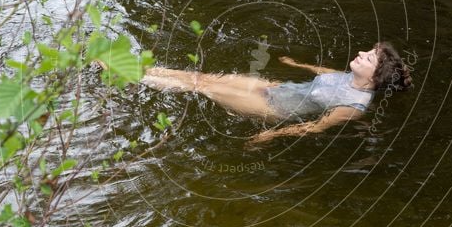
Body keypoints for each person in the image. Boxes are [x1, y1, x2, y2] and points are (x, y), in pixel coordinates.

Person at [139, 41, 413, 145]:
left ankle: (130, 79)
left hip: (271, 109)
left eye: (368, 58)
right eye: (367, 52)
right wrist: (297, 64)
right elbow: (323, 72)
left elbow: (315, 128)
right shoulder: (350, 77)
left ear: (375, 78)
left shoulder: (354, 107)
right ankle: (141, 70)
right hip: (273, 88)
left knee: (204, 88)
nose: (361, 54)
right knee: (204, 77)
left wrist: (273, 134)